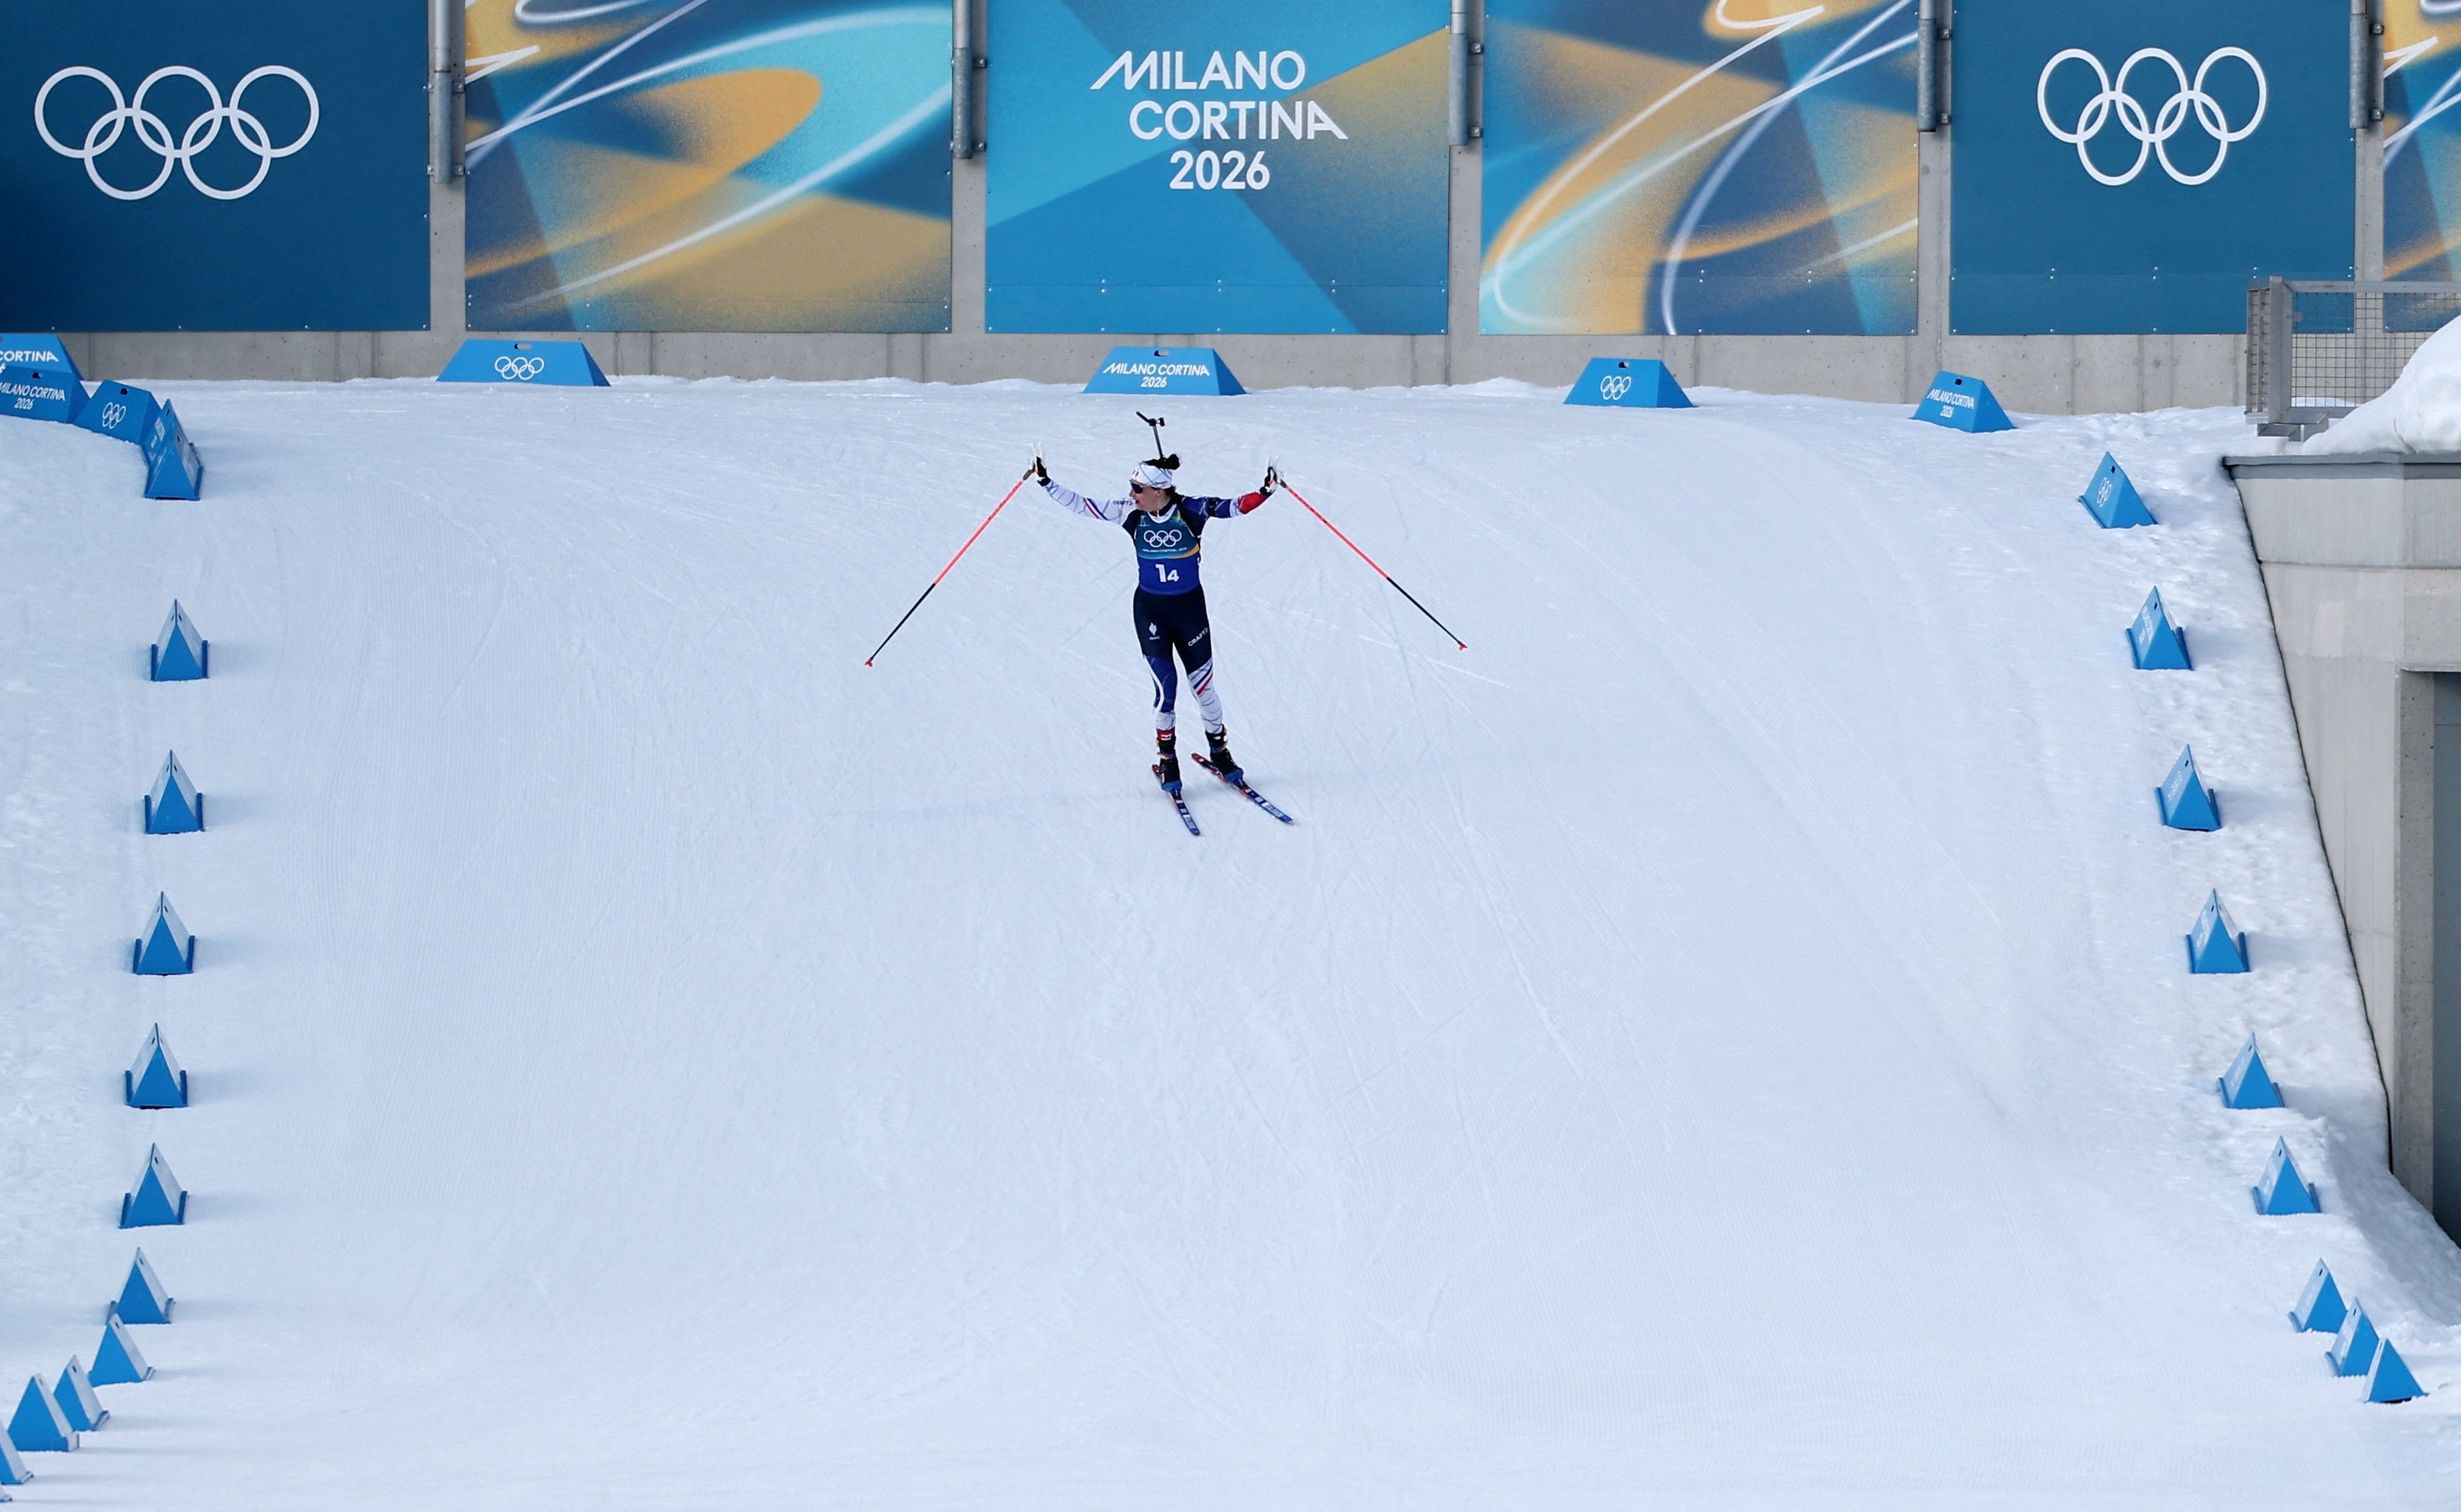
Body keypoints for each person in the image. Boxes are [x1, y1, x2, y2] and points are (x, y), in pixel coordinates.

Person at [1031, 448, 1276, 791]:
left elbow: (1233, 507)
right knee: (1167, 691)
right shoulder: (1128, 512)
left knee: (1203, 688)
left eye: (1137, 489)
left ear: (1159, 491)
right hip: (1151, 612)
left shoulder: (1191, 510)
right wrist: (1046, 482)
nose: (1131, 495)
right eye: (1132, 488)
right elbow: (1081, 504)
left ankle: (1220, 753)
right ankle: (1168, 762)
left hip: (1190, 611)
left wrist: (1265, 491)